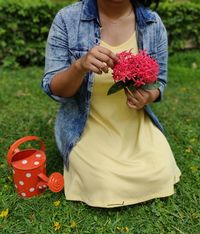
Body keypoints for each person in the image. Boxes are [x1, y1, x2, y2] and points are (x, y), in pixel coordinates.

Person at [41, 0, 181, 208]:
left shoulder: (152, 23)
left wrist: (147, 96)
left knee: (161, 170)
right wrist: (79, 66)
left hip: (133, 125)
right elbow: (54, 87)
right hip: (87, 126)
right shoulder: (67, 19)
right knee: (103, 181)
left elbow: (159, 80)